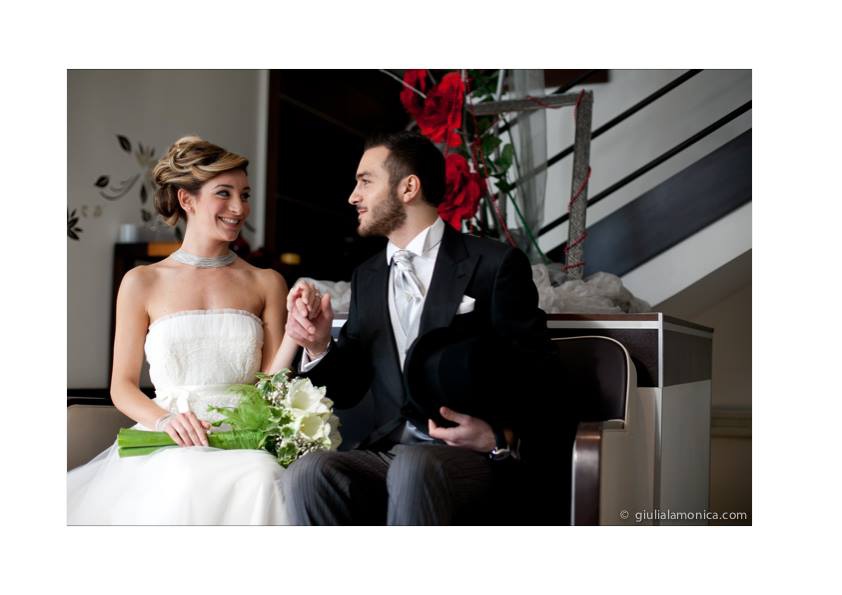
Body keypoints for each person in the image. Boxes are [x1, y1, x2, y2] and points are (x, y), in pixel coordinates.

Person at [281, 131, 559, 525]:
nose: (353, 196)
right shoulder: (367, 277)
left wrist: (500, 436)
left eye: (365, 181)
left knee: (415, 467)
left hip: (470, 457)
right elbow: (350, 387)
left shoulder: (493, 264)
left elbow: (540, 374)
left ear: (408, 187)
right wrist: (320, 344)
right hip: (389, 452)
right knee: (309, 471)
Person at [67, 136, 316, 525]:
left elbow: (270, 385)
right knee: (183, 477)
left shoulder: (266, 282)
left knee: (263, 477)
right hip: (170, 437)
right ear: (187, 200)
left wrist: (295, 337)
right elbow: (122, 386)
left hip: (244, 442)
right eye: (224, 193)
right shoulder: (142, 281)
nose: (239, 208)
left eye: (245, 195)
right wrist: (165, 421)